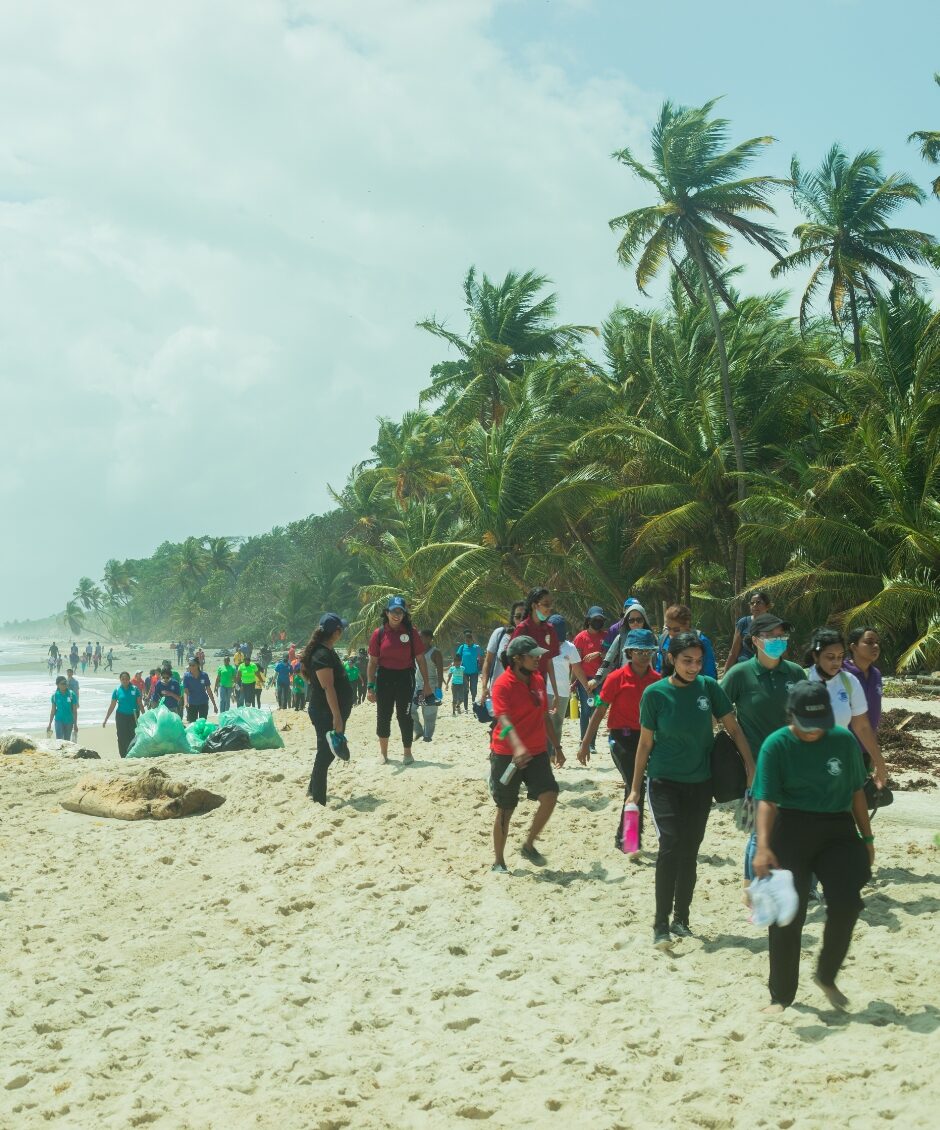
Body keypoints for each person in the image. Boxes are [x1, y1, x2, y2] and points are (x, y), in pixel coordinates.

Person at [752, 682, 874, 1013]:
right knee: (787, 916)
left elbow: (856, 792)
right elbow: (766, 801)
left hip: (837, 828)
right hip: (790, 827)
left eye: (818, 726)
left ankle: (826, 975)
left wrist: (867, 837)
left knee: (847, 904)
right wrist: (762, 846)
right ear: (791, 716)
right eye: (805, 726)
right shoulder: (775, 746)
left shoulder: (842, 740)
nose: (812, 733)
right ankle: (781, 996)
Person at [627, 631, 754, 948]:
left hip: (701, 783)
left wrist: (751, 768)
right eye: (687, 661)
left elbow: (733, 728)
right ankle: (660, 925)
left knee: (689, 851)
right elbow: (645, 744)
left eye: (699, 661)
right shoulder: (655, 695)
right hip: (663, 782)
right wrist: (633, 790)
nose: (694, 667)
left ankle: (681, 919)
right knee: (670, 843)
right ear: (671, 659)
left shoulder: (709, 688)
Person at [721, 613, 807, 879]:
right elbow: (721, 713)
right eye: (772, 636)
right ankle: (752, 886)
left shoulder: (795, 673)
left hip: (793, 766)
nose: (779, 640)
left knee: (794, 827)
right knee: (762, 832)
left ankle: (798, 881)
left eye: (782, 635)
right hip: (758, 766)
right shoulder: (740, 674)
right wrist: (746, 759)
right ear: (756, 640)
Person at [578, 628, 661, 854]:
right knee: (635, 783)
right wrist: (586, 743)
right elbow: (599, 711)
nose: (644, 656)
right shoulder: (616, 678)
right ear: (629, 652)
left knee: (639, 786)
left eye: (648, 652)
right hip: (621, 738)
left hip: (648, 739)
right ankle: (630, 839)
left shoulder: (658, 681)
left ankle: (624, 839)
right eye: (639, 651)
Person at [489, 636, 565, 873]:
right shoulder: (503, 684)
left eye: (538, 655)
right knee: (506, 808)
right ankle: (499, 862)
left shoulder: (538, 680)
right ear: (517, 659)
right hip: (506, 755)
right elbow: (504, 720)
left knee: (550, 795)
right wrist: (517, 746)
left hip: (537, 752)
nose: (537, 659)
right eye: (532, 656)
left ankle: (529, 844)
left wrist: (557, 747)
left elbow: (544, 716)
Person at [805, 629, 887, 789]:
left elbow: (862, 726)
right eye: (830, 657)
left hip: (840, 762)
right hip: (806, 764)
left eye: (840, 657)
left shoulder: (849, 681)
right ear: (816, 655)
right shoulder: (802, 678)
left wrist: (879, 761)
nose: (836, 662)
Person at [366, 596, 434, 764]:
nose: (397, 615)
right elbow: (373, 662)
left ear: (404, 614)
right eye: (393, 611)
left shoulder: (411, 632)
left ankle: (407, 753)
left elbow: (420, 659)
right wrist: (370, 686)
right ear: (387, 612)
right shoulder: (379, 633)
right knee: (383, 715)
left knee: (404, 716)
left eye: (400, 612)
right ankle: (383, 753)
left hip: (405, 678)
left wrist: (426, 684)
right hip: (384, 678)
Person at [302, 613, 353, 805]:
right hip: (326, 712)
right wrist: (337, 716)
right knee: (326, 754)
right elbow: (327, 687)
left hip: (329, 711)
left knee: (327, 751)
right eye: (342, 629)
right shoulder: (321, 655)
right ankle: (318, 799)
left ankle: (312, 788)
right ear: (336, 632)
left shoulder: (326, 651)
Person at [545, 614, 589, 753]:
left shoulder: (570, 647)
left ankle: (553, 752)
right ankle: (545, 754)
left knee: (557, 725)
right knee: (545, 724)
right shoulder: (542, 645)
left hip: (563, 693)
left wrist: (587, 686)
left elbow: (577, 668)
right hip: (545, 690)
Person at [592, 603, 655, 689]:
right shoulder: (620, 638)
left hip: (647, 687)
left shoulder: (652, 638)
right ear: (627, 622)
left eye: (639, 620)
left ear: (644, 620)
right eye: (631, 620)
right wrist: (596, 680)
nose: (635, 623)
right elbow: (608, 661)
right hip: (625, 685)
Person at [572, 606, 608, 747]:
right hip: (584, 680)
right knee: (586, 710)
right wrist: (574, 682)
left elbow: (610, 656)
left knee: (596, 711)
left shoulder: (605, 637)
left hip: (599, 680)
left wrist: (598, 653)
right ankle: (584, 741)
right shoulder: (580, 638)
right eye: (595, 619)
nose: (598, 622)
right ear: (588, 620)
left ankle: (591, 743)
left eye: (600, 619)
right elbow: (576, 662)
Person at [478, 601, 526, 705]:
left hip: (521, 694)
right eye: (518, 616)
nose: (521, 620)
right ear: (512, 618)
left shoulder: (530, 639)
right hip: (499, 691)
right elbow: (488, 661)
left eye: (524, 616)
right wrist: (484, 687)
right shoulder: (500, 634)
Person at [658, 605, 717, 680]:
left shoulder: (701, 641)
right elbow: (659, 669)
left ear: (687, 625)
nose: (671, 633)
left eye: (676, 629)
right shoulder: (663, 639)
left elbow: (709, 673)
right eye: (668, 628)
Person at [844, 626, 884, 736]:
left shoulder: (876, 674)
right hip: (845, 746)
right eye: (869, 642)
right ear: (854, 647)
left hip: (869, 745)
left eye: (877, 642)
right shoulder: (841, 673)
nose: (875, 646)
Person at [724, 591, 772, 672]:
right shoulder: (743, 623)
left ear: (767, 606)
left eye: (758, 602)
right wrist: (726, 676)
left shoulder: (776, 625)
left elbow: (782, 654)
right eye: (752, 603)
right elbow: (733, 653)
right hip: (744, 671)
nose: (754, 605)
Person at [103, 671, 144, 757]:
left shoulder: (135, 689)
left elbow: (140, 703)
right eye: (123, 679)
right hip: (121, 716)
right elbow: (112, 705)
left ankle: (132, 754)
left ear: (129, 679)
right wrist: (106, 719)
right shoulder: (117, 690)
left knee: (132, 735)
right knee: (121, 736)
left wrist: (144, 716)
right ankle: (123, 755)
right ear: (120, 680)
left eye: (126, 679)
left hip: (133, 715)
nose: (125, 680)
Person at [412, 629, 444, 743]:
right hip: (417, 685)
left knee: (429, 713)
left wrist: (439, 689)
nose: (419, 639)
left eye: (422, 637)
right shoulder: (416, 651)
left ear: (430, 638)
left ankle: (427, 735)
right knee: (411, 709)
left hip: (431, 686)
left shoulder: (436, 652)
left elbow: (440, 672)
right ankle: (418, 730)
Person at [455, 630, 483, 709]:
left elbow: (481, 658)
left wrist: (481, 668)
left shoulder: (477, 647)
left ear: (472, 639)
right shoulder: (462, 647)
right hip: (464, 672)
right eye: (466, 640)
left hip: (474, 672)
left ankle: (473, 701)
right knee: (465, 690)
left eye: (468, 640)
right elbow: (457, 656)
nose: (467, 642)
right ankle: (465, 707)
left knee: (473, 689)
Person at [47, 675, 78, 741]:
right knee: (59, 741)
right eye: (62, 684)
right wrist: (49, 724)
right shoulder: (55, 696)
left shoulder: (72, 694)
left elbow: (74, 711)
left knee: (67, 741)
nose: (64, 685)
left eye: (65, 683)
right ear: (57, 685)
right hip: (59, 720)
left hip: (69, 721)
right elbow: (53, 711)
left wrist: (75, 724)